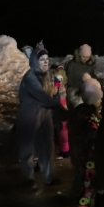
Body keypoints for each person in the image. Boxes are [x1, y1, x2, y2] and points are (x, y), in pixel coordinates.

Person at [17, 47, 64, 186]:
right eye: (42, 60)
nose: (45, 62)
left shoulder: (48, 75)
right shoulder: (30, 77)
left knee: (47, 145)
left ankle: (49, 176)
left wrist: (58, 94)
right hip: (30, 113)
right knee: (28, 145)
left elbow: (51, 93)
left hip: (45, 112)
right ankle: (28, 177)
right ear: (34, 61)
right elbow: (41, 95)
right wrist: (57, 106)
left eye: (47, 59)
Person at [70, 75, 104, 207]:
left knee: (88, 181)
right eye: (98, 98)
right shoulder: (88, 116)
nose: (101, 100)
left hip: (88, 153)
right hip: (89, 155)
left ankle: (86, 204)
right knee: (88, 182)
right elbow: (91, 134)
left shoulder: (84, 110)